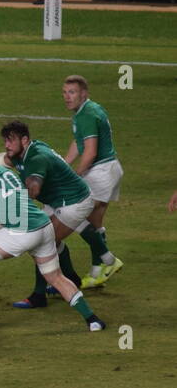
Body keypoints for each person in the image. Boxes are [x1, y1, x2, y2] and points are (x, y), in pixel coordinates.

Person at [0, 139, 104, 336]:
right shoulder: (0, 170)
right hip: (44, 225)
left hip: (22, 231)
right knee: (55, 277)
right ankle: (92, 319)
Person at [0, 122, 119, 310]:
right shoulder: (22, 152)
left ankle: (39, 295)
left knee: (40, 241)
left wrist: (16, 194)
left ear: (24, 140)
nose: (7, 145)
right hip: (59, 200)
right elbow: (4, 160)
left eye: (10, 140)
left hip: (74, 202)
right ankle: (71, 278)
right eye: (5, 140)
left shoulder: (37, 158)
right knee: (49, 241)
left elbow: (35, 188)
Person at [61, 76, 125, 288]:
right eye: (65, 92)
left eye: (72, 92)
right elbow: (79, 143)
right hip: (111, 168)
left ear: (84, 94)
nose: (67, 97)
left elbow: (90, 152)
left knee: (74, 214)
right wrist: (64, 164)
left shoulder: (86, 115)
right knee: (94, 221)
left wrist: (73, 177)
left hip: (101, 171)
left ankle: (108, 260)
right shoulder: (90, 109)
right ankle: (98, 272)